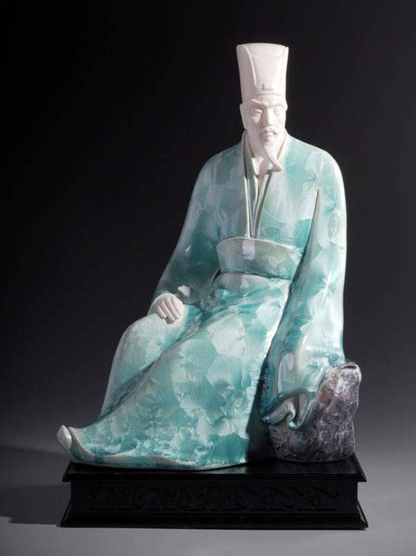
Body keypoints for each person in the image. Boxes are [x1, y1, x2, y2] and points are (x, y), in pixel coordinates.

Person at [57, 43, 347, 469]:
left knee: (189, 361)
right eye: (256, 112)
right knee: (141, 340)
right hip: (217, 301)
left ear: (287, 109)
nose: (268, 123)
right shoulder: (216, 172)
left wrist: (298, 357)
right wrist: (170, 296)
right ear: (242, 112)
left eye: (276, 110)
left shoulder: (320, 170)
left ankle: (132, 449)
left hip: (272, 313)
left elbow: (324, 276)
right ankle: (109, 435)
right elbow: (191, 259)